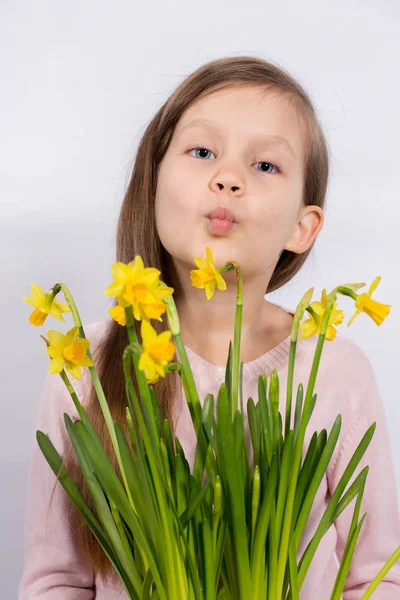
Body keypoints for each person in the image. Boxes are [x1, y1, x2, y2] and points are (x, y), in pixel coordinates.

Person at [19, 55, 400, 599]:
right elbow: (56, 582)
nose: (228, 178)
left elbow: (378, 578)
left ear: (302, 226)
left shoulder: (334, 370)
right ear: (153, 184)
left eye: (265, 165)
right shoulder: (83, 367)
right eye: (202, 152)